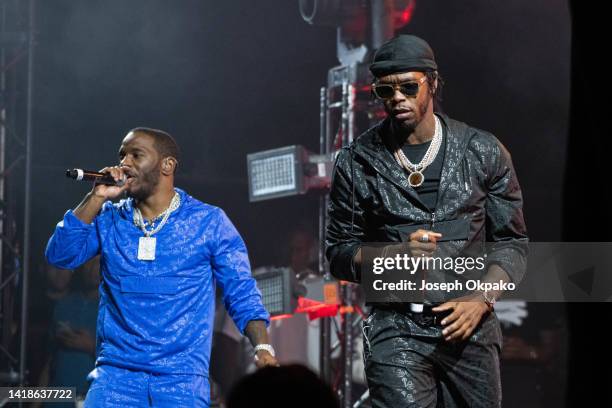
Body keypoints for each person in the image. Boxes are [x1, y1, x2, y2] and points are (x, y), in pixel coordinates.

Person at [325, 35, 528, 407]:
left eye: (408, 86)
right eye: (386, 89)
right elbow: (339, 254)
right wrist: (393, 253)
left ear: (432, 83)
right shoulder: (357, 163)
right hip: (396, 328)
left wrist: (482, 299)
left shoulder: (482, 151)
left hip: (470, 329)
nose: (397, 98)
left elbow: (512, 245)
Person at [46, 127, 277, 407]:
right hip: (115, 380)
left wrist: (262, 347)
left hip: (181, 382)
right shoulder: (110, 219)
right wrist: (95, 198)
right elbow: (60, 255)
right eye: (122, 155)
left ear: (167, 165)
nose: (124, 163)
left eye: (136, 155)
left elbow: (241, 292)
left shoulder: (208, 223)